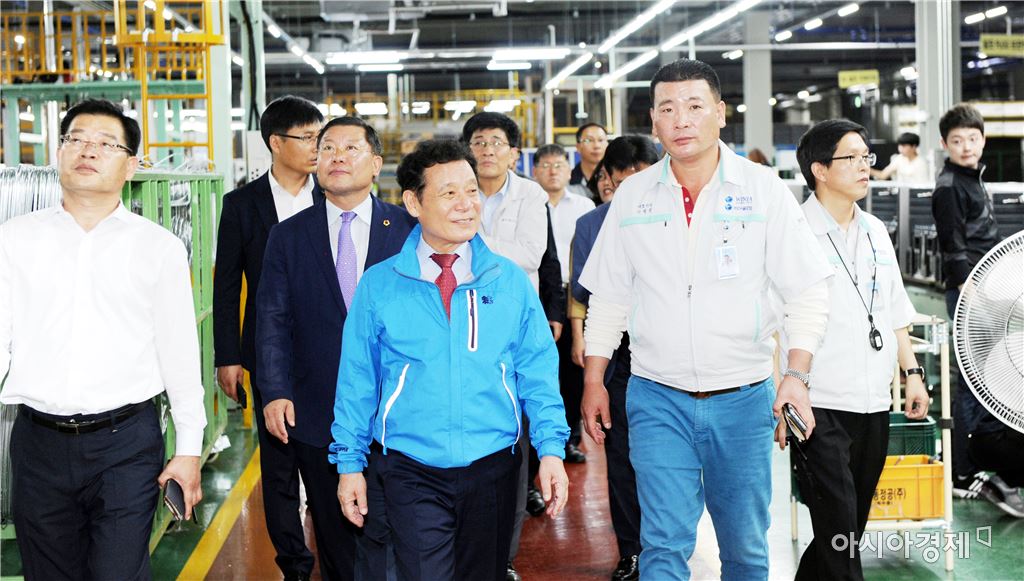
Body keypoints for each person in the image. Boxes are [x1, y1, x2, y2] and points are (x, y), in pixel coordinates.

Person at [579, 59, 833, 580]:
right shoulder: (633, 197)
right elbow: (609, 298)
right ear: (653, 120)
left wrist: (797, 374)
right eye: (668, 109)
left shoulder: (762, 190)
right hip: (657, 397)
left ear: (720, 112)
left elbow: (806, 290)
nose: (681, 120)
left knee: (744, 547)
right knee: (662, 546)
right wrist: (593, 379)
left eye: (694, 106)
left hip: (743, 398)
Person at [331, 139, 570, 581]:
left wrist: (551, 450)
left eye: (472, 191)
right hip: (411, 468)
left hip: (493, 464)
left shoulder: (507, 280)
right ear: (413, 203)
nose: (466, 204)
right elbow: (357, 381)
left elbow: (538, 372)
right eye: (449, 193)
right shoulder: (380, 285)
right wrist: (349, 464)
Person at [0, 98, 206, 580]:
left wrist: (189, 450)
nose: (88, 150)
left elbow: (179, 355)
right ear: (59, 153)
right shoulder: (15, 239)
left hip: (125, 444)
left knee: (118, 571)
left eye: (106, 144)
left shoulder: (158, 248)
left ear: (130, 166)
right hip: (38, 443)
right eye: (76, 139)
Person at [255, 116, 416, 579]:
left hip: (399, 411)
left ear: (376, 164)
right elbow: (272, 319)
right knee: (336, 537)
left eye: (350, 148)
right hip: (317, 411)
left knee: (403, 535)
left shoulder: (408, 231)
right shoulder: (288, 235)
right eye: (327, 148)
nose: (337, 157)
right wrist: (275, 391)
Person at [792, 119, 932, 579]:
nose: (863, 166)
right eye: (849, 158)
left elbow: (894, 308)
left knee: (847, 527)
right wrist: (785, 392)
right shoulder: (795, 232)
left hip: (873, 399)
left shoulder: (874, 230)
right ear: (819, 170)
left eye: (865, 156)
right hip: (819, 401)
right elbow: (775, 323)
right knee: (838, 523)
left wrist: (912, 375)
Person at [212, 95, 324, 581]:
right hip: (269, 350)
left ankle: (337, 549)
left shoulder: (333, 196)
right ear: (276, 143)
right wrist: (228, 356)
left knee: (331, 454)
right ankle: (294, 564)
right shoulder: (242, 205)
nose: (319, 147)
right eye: (308, 137)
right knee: (279, 463)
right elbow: (226, 285)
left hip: (330, 350)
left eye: (320, 136)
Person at [568, 134, 660, 581]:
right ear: (608, 179)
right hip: (621, 355)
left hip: (670, 354)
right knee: (623, 459)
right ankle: (632, 550)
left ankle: (665, 548)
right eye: (625, 181)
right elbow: (586, 291)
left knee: (667, 465)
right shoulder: (593, 225)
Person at [931, 103, 1023, 517]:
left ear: (983, 140)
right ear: (944, 144)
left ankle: (982, 460)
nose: (966, 146)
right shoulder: (950, 186)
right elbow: (953, 246)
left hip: (988, 291)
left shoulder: (972, 179)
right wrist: (972, 296)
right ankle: (963, 471)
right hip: (970, 295)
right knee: (972, 382)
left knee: (988, 378)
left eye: (972, 138)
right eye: (957, 140)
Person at [534, 144, 595, 465]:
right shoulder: (530, 204)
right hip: (542, 294)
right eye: (545, 165)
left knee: (573, 373)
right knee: (542, 373)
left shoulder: (584, 205)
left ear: (568, 170)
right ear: (534, 171)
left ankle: (570, 438)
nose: (552, 171)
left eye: (558, 165)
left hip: (576, 295)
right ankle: (542, 441)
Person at [461, 112, 548, 290]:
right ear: (467, 151)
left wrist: (474, 245)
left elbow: (530, 257)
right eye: (479, 143)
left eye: (497, 143)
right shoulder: (456, 194)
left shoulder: (530, 193)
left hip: (515, 294)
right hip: (468, 293)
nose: (487, 151)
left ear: (513, 154)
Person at [570, 123, 609, 199]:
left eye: (601, 140)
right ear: (578, 147)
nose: (596, 146)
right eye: (589, 140)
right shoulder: (568, 182)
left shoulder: (616, 179)